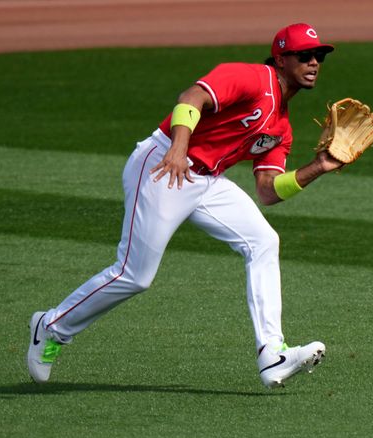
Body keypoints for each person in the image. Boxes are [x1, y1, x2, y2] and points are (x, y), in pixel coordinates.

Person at [27, 23, 344, 388]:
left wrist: (318, 167)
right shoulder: (251, 78)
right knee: (135, 275)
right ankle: (51, 326)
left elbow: (268, 191)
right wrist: (178, 149)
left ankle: (272, 353)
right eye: (304, 55)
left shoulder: (281, 126)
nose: (314, 62)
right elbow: (191, 97)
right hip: (163, 165)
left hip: (208, 181)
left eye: (318, 56)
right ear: (280, 59)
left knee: (263, 241)